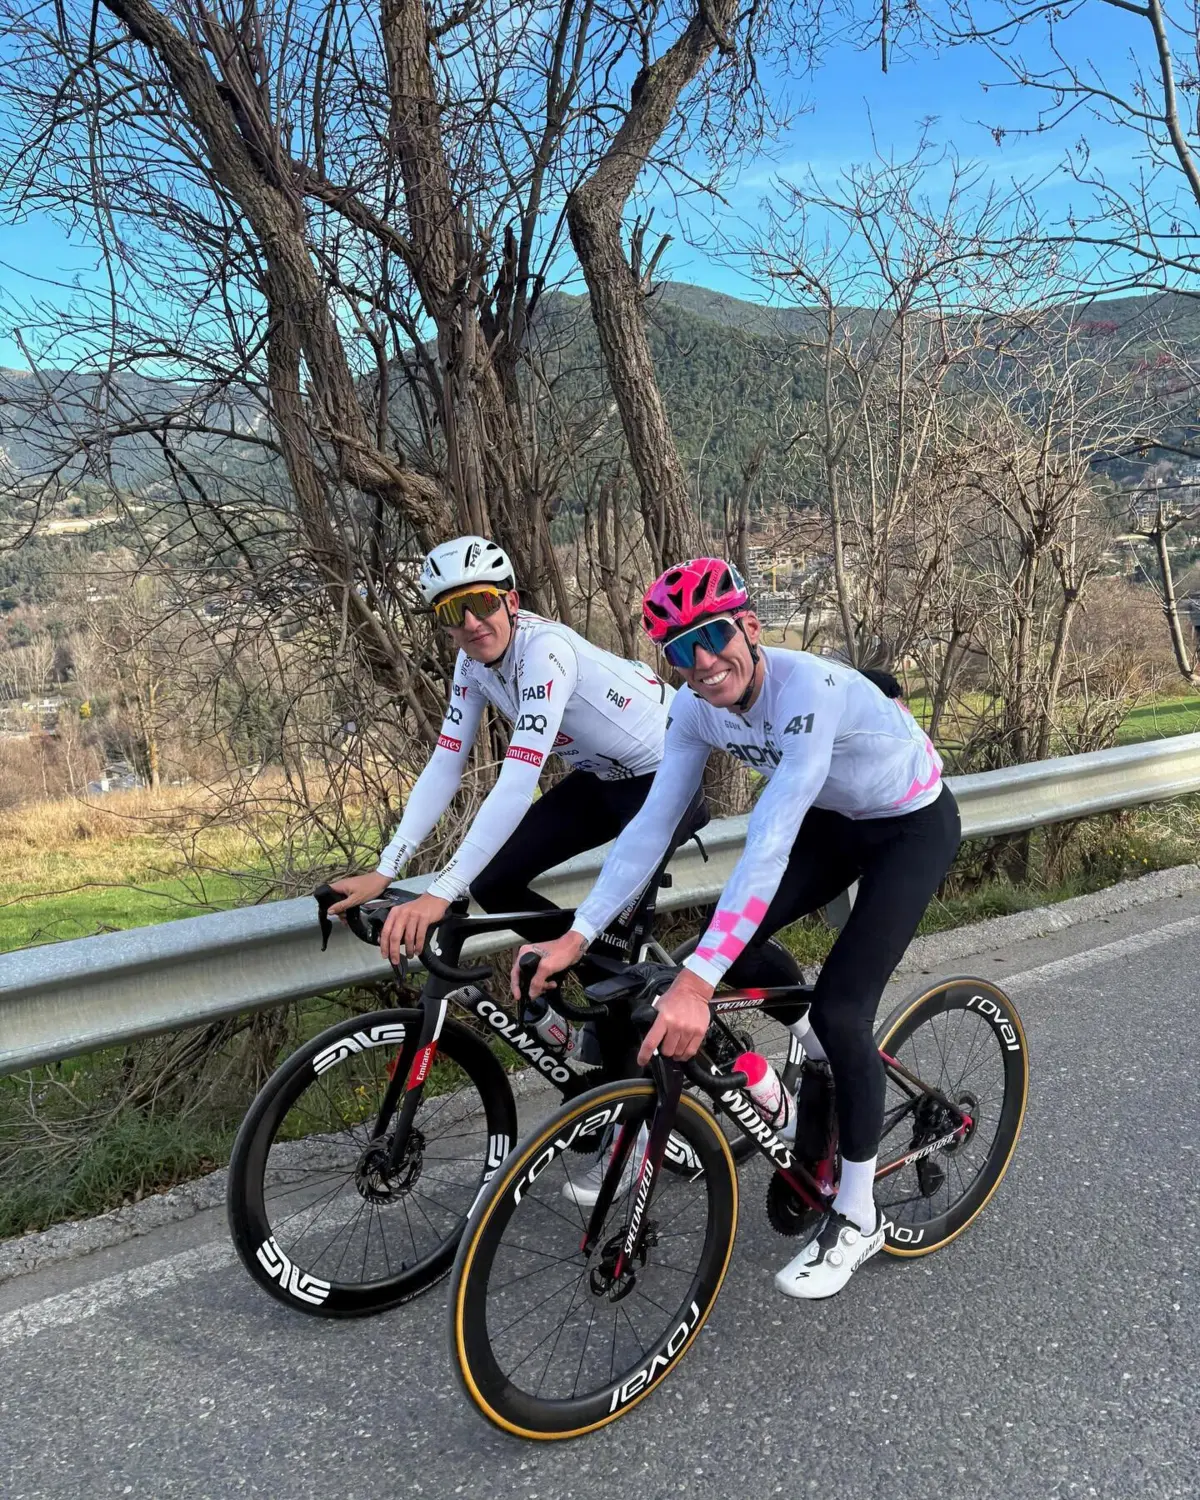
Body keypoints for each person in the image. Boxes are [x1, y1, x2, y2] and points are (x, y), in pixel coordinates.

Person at [514, 557, 961, 1300]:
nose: (701, 662)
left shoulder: (807, 689)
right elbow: (649, 827)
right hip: (837, 821)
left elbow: (771, 835)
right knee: (725, 953)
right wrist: (578, 934)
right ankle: (812, 1067)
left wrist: (697, 984)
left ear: (750, 629)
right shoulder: (693, 710)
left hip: (910, 827)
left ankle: (857, 1215)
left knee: (842, 1011)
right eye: (679, 650)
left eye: (713, 636)